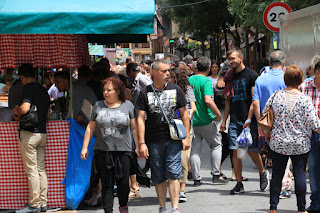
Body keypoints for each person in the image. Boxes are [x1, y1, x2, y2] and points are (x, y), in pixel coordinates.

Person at [136, 60, 190, 213]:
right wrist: (141, 143)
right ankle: (162, 207)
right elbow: (140, 119)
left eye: (169, 71)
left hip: (173, 139)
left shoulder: (176, 89)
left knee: (173, 173)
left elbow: (184, 114)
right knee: (158, 175)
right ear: (154, 72)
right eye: (164, 71)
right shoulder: (145, 92)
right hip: (153, 140)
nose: (168, 74)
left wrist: (185, 137)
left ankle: (175, 208)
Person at [264, 65, 320, 213]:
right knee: (300, 175)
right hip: (300, 144)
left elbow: (266, 117)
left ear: (285, 79)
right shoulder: (305, 99)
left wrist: (268, 133)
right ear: (300, 80)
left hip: (278, 143)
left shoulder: (275, 96)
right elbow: (315, 124)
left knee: (277, 175)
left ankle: (273, 207)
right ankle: (301, 209)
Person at [80, 76, 139, 213]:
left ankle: (123, 207)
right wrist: (84, 147)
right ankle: (108, 210)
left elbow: (134, 128)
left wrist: (139, 145)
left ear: (118, 91)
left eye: (109, 90)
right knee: (107, 183)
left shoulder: (128, 106)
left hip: (124, 150)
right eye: (104, 90)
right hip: (103, 150)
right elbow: (90, 127)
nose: (106, 93)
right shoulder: (98, 105)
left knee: (123, 182)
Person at [220, 48, 268, 194]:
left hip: (249, 120)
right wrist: (224, 120)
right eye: (229, 59)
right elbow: (228, 99)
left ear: (241, 58)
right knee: (235, 152)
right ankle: (239, 183)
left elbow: (255, 100)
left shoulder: (252, 75)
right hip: (235, 120)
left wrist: (249, 119)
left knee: (253, 151)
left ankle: (262, 172)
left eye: (233, 58)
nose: (231, 61)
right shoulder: (230, 76)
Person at [13, 64, 50, 213]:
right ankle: (43, 203)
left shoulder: (28, 88)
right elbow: (47, 115)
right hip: (42, 133)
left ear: (22, 76)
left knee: (31, 170)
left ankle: (34, 204)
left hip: (29, 134)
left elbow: (24, 109)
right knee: (41, 168)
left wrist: (16, 109)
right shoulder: (43, 90)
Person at [188, 57, 224, 185]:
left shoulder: (189, 80)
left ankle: (196, 178)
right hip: (206, 119)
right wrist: (218, 113)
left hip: (192, 120)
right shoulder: (206, 81)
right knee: (216, 145)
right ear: (209, 68)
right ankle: (215, 174)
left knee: (195, 149)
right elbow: (208, 100)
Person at [170, 68, 196, 203]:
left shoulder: (187, 89)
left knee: (183, 159)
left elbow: (193, 106)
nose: (169, 80)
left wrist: (189, 113)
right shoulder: (165, 89)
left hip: (184, 126)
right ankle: (173, 186)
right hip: (169, 127)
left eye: (171, 78)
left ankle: (182, 190)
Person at [299, 55, 320, 212]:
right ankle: (316, 203)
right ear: (317, 73)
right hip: (310, 135)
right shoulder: (304, 87)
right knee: (313, 170)